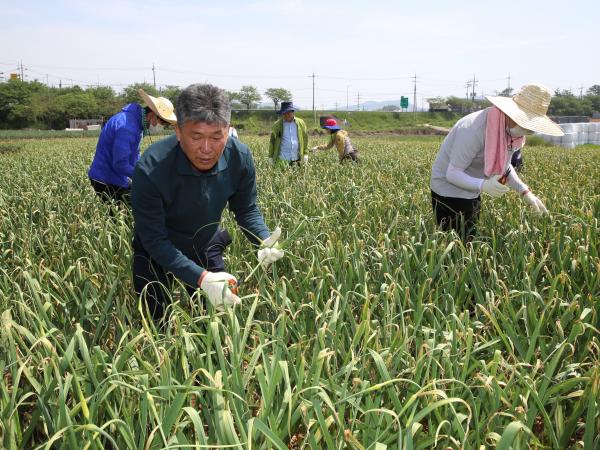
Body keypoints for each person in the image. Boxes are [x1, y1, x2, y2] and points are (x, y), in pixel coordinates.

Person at [131, 84, 284, 319]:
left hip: (202, 244)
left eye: (216, 137)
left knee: (214, 319)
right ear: (178, 131)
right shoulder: (151, 169)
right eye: (196, 136)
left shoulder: (239, 158)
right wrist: (201, 278)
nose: (206, 149)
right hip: (156, 251)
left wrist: (263, 239)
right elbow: (154, 239)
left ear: (228, 130)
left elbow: (246, 209)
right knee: (157, 322)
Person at [429, 83, 564, 240]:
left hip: (473, 188)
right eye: (525, 124)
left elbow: (505, 166)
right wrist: (484, 185)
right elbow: (452, 174)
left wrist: (524, 191)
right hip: (447, 190)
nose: (526, 131)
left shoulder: (512, 133)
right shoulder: (473, 128)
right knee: (455, 243)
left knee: (469, 237)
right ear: (511, 114)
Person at [88, 89, 176, 205]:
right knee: (131, 214)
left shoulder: (135, 122)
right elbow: (120, 163)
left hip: (115, 176)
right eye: (163, 123)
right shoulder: (127, 127)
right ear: (153, 116)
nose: (162, 126)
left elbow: (134, 155)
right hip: (106, 179)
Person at [268, 101, 309, 165]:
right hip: (282, 159)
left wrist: (306, 153)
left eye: (288, 113)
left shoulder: (301, 123)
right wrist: (270, 157)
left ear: (293, 112)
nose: (286, 115)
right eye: (284, 113)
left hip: (297, 158)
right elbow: (272, 141)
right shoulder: (277, 125)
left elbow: (305, 139)